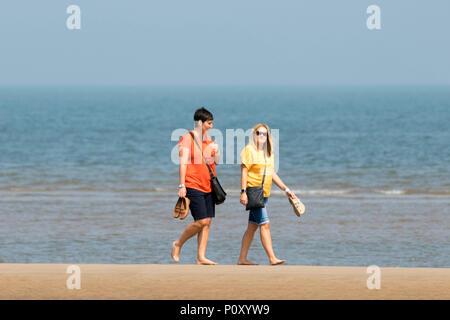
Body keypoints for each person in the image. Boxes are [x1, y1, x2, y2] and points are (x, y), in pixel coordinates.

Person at [238, 123, 296, 265]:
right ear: (254, 135)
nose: (261, 136)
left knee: (252, 226)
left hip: (264, 193)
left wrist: (286, 189)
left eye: (264, 134)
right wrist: (243, 192)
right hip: (253, 191)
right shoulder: (248, 150)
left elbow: (272, 174)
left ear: (268, 137)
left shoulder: (268, 153)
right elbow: (244, 172)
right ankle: (272, 257)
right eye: (258, 133)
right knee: (265, 224)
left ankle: (242, 259)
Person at [171, 107, 220, 265]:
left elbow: (216, 162)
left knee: (207, 222)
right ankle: (178, 244)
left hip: (208, 186)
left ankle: (201, 257)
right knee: (201, 221)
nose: (211, 126)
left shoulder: (209, 140)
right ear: (199, 122)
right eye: (209, 123)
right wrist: (182, 185)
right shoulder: (187, 138)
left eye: (212, 123)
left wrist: (217, 151)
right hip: (193, 184)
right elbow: (183, 163)